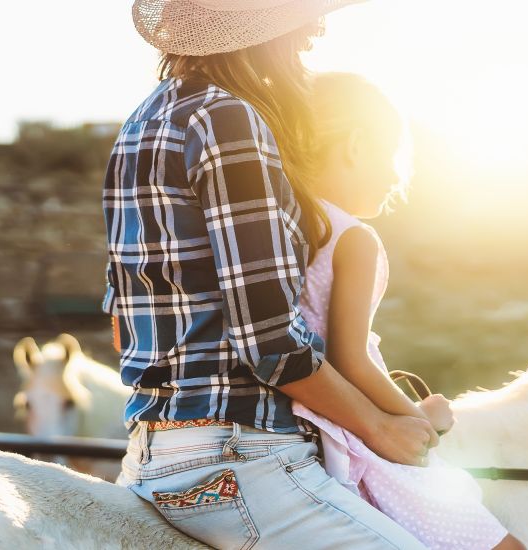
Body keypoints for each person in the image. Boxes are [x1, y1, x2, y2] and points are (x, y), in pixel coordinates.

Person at [105, 1, 439, 548]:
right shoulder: (229, 118)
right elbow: (269, 340)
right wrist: (382, 428)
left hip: (150, 452)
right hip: (239, 457)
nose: (307, 51)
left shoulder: (139, 124)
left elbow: (124, 322)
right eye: (304, 36)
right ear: (266, 37)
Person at [289, 72, 523, 550]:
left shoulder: (285, 223)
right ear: (355, 145)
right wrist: (418, 419)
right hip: (350, 428)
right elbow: (349, 360)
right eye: (392, 155)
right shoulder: (352, 237)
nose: (397, 175)